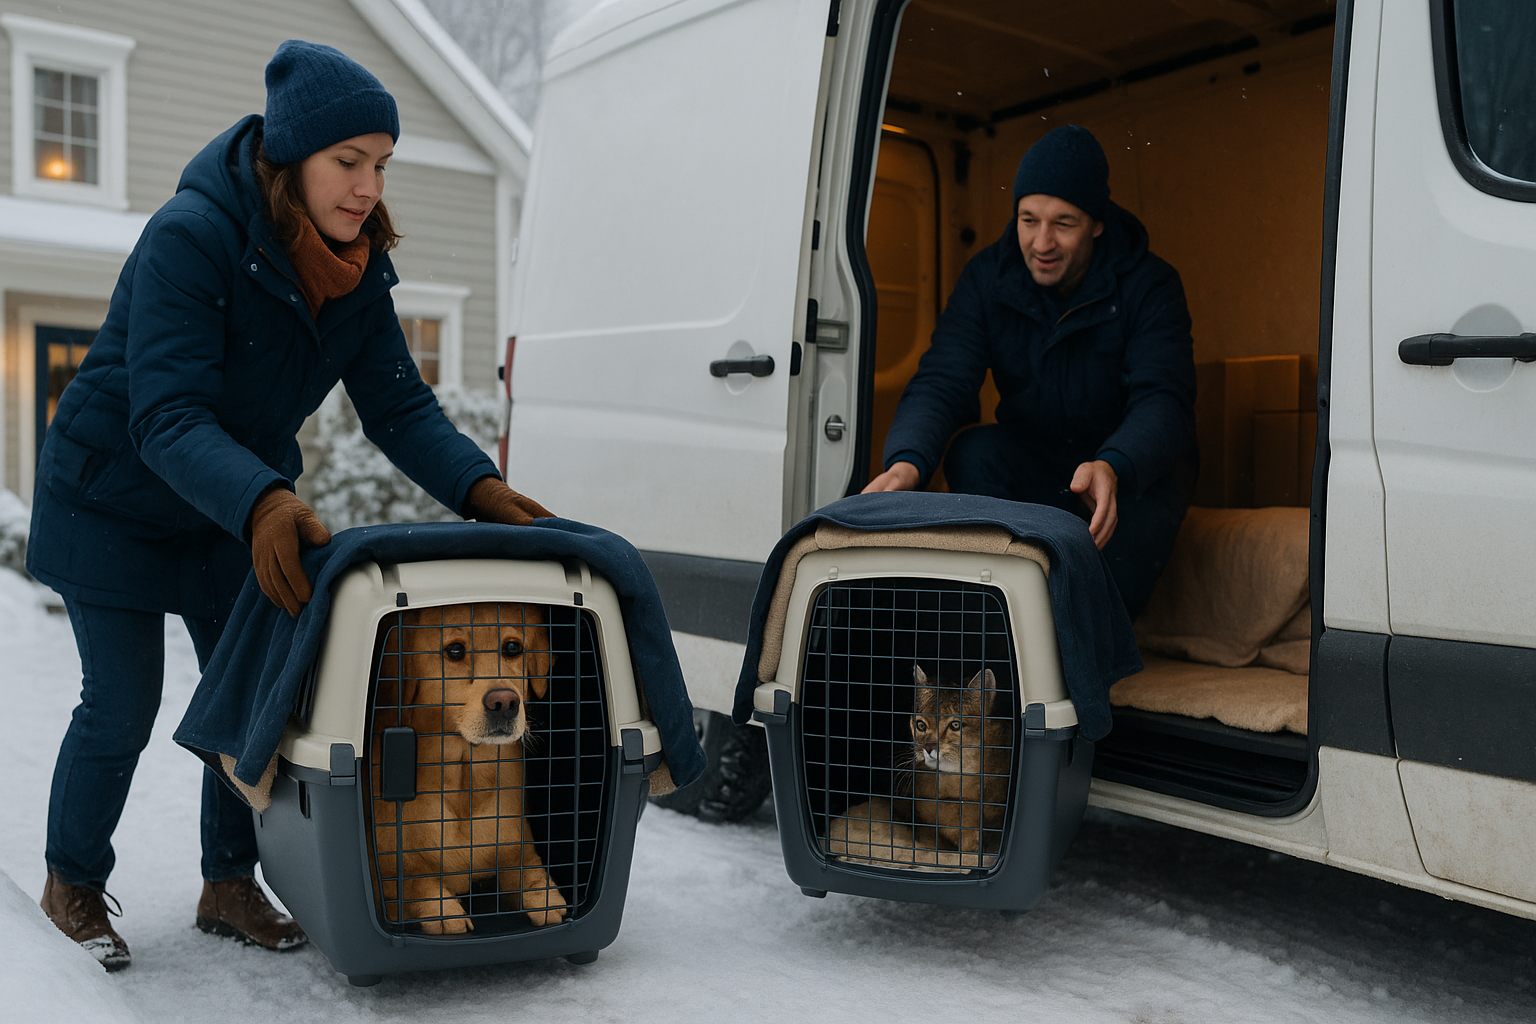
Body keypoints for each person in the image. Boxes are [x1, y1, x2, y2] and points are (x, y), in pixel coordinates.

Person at [25, 40, 551, 970]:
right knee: (123, 702)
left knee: (254, 699)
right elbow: (168, 413)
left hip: (232, 507)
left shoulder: (355, 267)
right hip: (110, 496)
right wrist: (267, 499)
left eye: (380, 164)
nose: (366, 186)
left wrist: (482, 487)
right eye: (347, 162)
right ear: (291, 160)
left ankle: (229, 881)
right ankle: (71, 881)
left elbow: (400, 406)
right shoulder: (194, 234)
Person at [864, 124, 1196, 618]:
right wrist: (907, 462)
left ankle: (1093, 625)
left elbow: (1163, 399)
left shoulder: (1150, 284)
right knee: (974, 452)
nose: (1042, 242)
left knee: (1100, 614)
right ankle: (1003, 612)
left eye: (1064, 223)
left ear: (1097, 223)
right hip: (1039, 458)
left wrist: (1115, 464)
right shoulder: (987, 278)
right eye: (1028, 219)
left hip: (1120, 473)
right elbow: (945, 378)